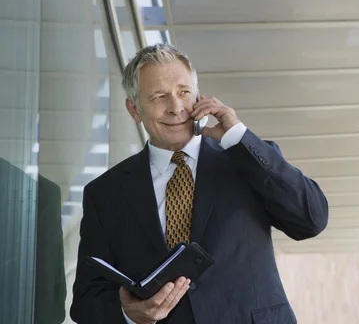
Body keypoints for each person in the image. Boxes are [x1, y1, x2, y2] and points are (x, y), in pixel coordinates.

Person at [70, 44, 329, 323]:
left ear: (198, 96)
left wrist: (238, 137)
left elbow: (311, 219)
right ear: (134, 109)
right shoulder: (105, 193)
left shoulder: (245, 159)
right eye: (159, 96)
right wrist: (128, 314)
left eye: (183, 92)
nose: (176, 107)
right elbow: (87, 301)